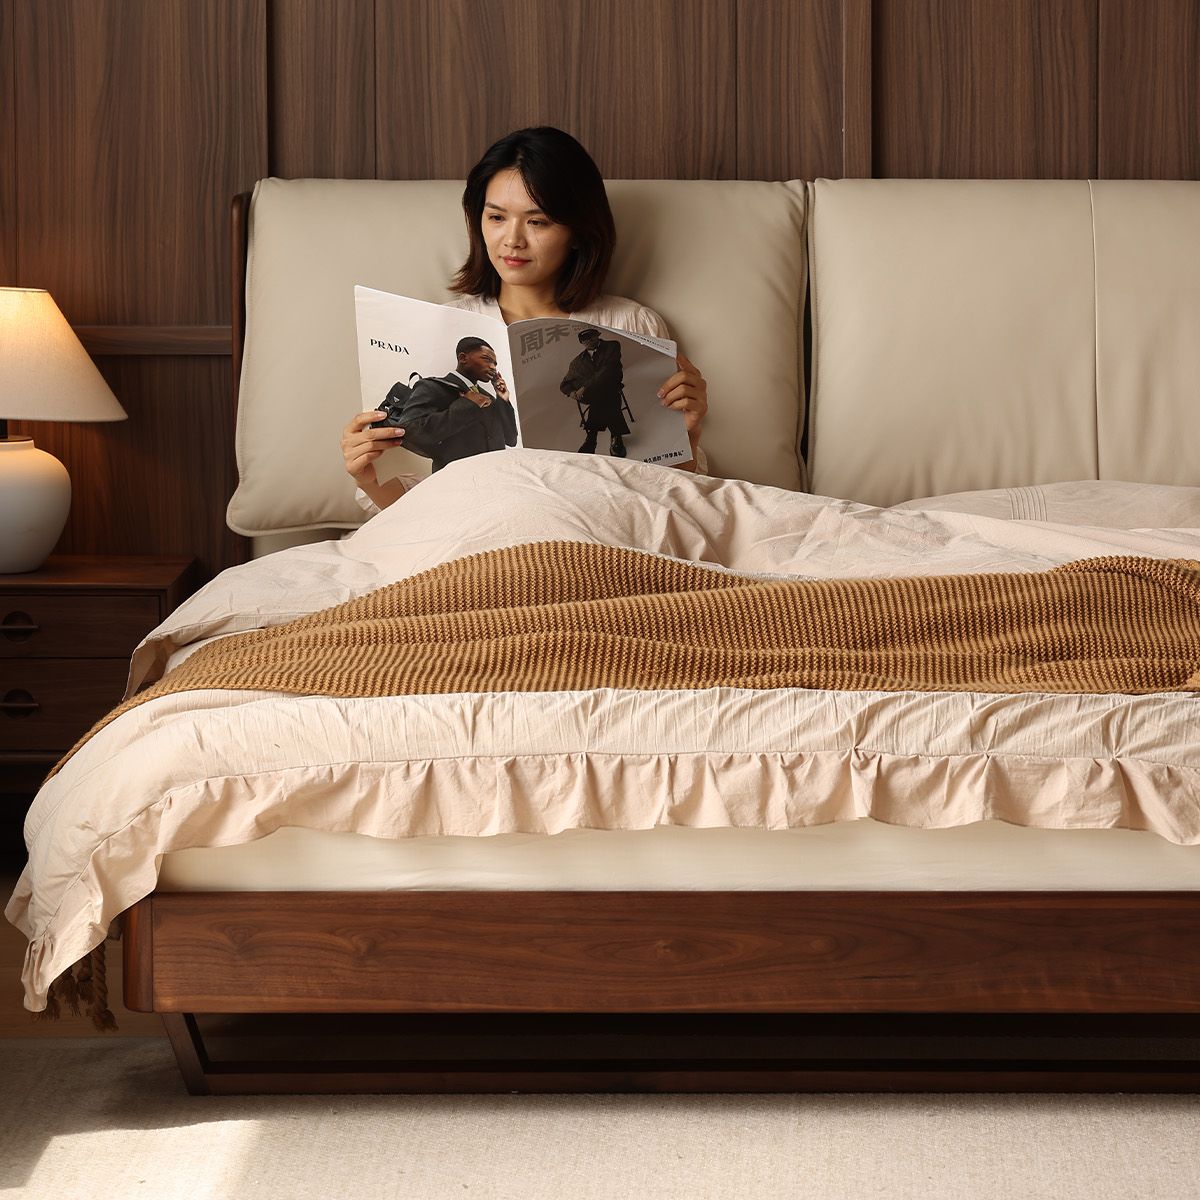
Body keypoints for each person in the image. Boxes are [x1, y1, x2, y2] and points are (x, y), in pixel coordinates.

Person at [342, 126, 708, 514]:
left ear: (579, 232)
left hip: (597, 530)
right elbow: (420, 513)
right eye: (496, 217)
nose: (512, 239)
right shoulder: (443, 327)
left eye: (538, 222)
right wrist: (367, 478)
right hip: (475, 534)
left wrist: (689, 434)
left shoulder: (631, 325)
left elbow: (671, 498)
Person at [398, 337, 517, 472]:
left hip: (494, 478)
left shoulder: (488, 397)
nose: (493, 367)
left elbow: (511, 439)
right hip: (455, 481)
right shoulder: (432, 386)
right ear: (463, 358)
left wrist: (503, 399)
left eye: (495, 363)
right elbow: (409, 430)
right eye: (487, 359)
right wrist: (466, 405)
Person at [560, 328, 628, 456]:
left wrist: (585, 387)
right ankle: (616, 436)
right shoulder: (577, 362)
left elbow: (607, 370)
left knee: (605, 393)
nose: (589, 341)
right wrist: (571, 393)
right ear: (581, 343)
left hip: (611, 385)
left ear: (598, 336)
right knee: (603, 397)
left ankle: (591, 437)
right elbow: (564, 384)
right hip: (596, 395)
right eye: (585, 340)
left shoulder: (612, 346)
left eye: (592, 337)